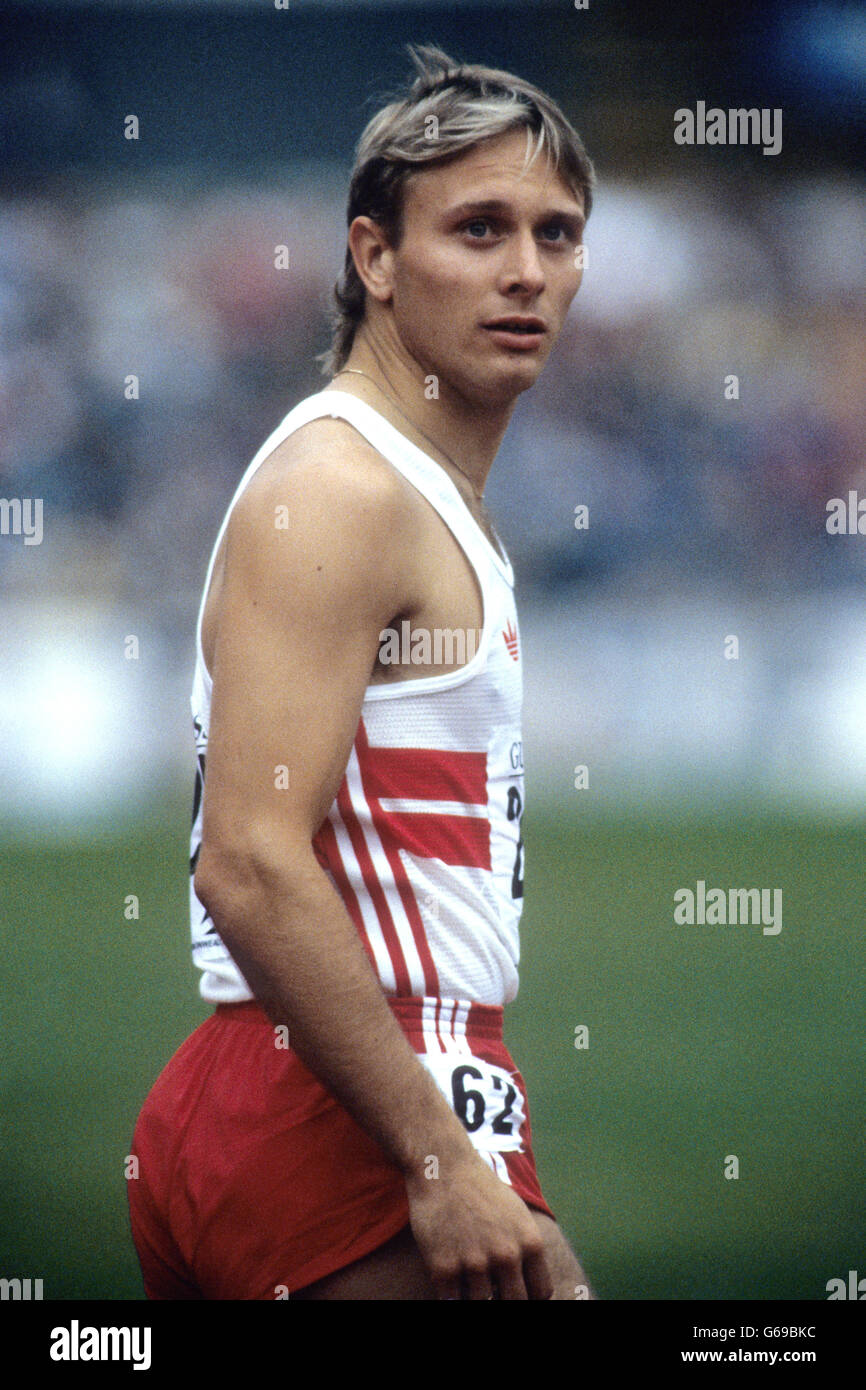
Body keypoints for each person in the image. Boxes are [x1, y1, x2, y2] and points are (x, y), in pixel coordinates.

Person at [128, 44, 596, 1301]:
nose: (524, 272)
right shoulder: (343, 489)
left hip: (300, 1088)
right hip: (360, 1095)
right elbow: (248, 857)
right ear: (374, 258)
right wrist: (441, 1159)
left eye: (557, 235)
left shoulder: (415, 490)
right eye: (479, 228)